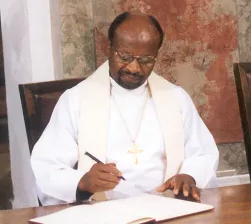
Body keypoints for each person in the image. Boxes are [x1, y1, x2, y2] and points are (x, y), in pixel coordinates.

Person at [30, 12, 219, 205]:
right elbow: (48, 166)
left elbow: (202, 152)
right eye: (125, 57)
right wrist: (82, 182)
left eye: (146, 60)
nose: (134, 68)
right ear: (108, 48)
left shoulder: (176, 98)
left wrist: (190, 175)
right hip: (102, 212)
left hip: (169, 207)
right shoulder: (76, 100)